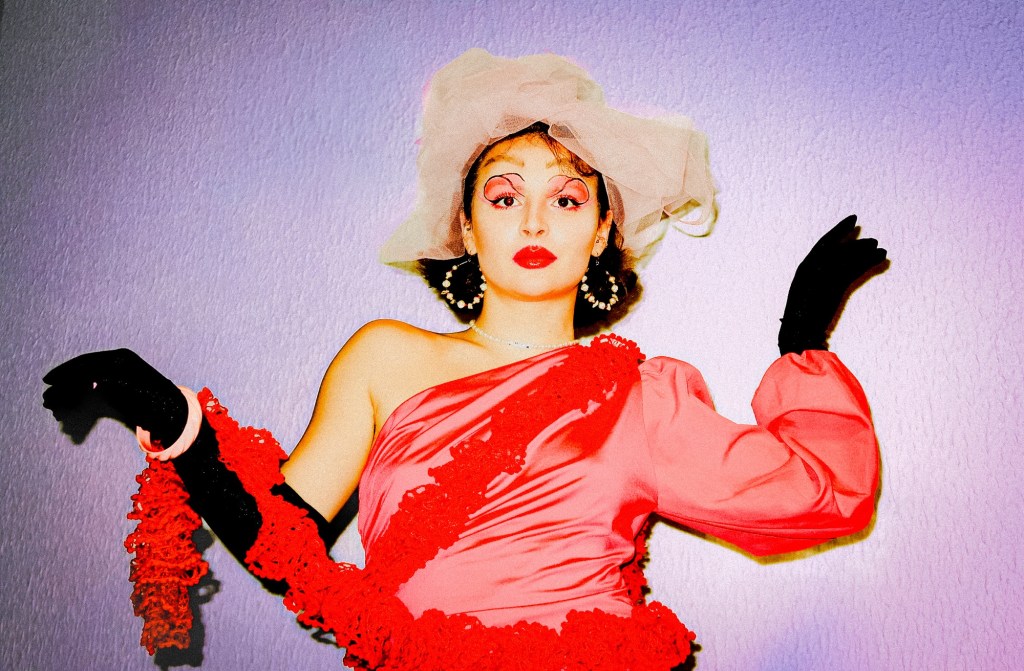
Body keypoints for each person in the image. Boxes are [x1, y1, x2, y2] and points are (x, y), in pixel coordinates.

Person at [42, 49, 887, 670]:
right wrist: (172, 417)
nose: (533, 222)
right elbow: (281, 541)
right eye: (505, 195)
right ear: (467, 226)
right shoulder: (383, 358)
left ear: (602, 232)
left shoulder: (637, 394)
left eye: (566, 198)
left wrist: (802, 343)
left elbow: (820, 495)